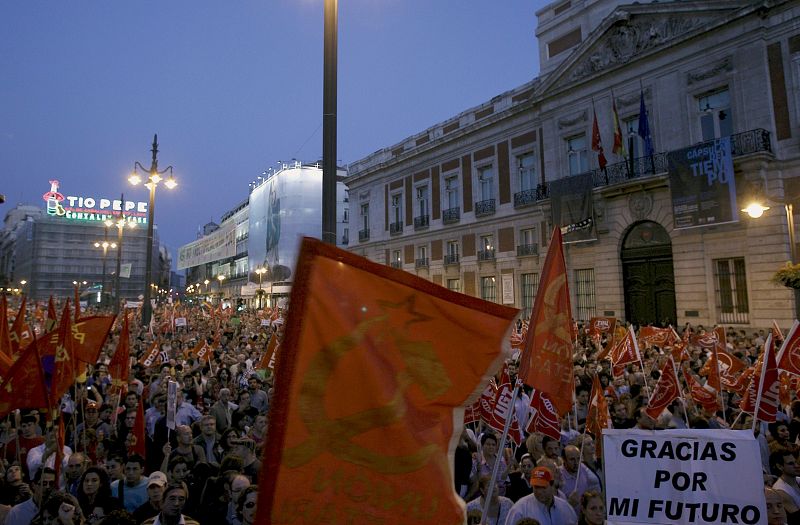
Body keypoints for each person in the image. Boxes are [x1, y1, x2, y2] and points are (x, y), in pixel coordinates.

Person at [504, 466, 577, 525]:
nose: (539, 492)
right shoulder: (519, 510)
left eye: (543, 487)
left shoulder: (565, 508)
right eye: (536, 487)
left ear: (552, 485)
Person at [559, 445, 601, 509]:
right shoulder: (559, 475)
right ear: (564, 459)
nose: (576, 463)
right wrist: (569, 503)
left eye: (578, 458)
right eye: (572, 459)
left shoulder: (583, 468)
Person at [770, 449, 800, 520]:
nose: (796, 465)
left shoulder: (798, 480)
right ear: (780, 466)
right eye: (791, 463)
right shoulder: (780, 491)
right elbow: (797, 517)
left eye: (795, 462)